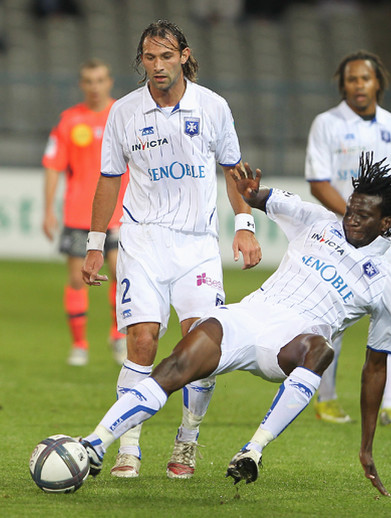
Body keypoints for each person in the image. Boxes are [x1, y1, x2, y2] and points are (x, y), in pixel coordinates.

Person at [79, 154, 391, 496]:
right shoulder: (320, 221)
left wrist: (367, 447)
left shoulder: (386, 285)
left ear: (385, 223)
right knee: (175, 365)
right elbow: (264, 198)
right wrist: (251, 195)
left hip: (288, 346)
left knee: (321, 349)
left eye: (363, 216)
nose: (350, 220)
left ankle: (252, 451)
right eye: (350, 211)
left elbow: (375, 367)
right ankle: (93, 445)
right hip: (247, 317)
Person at [81, 19, 262, 480]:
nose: (157, 65)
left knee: (201, 347)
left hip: (198, 245)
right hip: (142, 241)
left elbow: (232, 169)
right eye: (149, 57)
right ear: (140, 61)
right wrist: (96, 243)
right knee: (142, 340)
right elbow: (109, 178)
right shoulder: (123, 112)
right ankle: (129, 445)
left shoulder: (214, 107)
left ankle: (187, 439)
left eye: (166, 55)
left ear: (184, 55)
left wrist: (244, 224)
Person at [304, 50, 391, 427]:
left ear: (378, 83)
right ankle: (326, 399)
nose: (359, 85)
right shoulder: (326, 124)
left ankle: (390, 404)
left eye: (365, 78)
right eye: (352, 79)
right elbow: (318, 181)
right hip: (339, 240)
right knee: (332, 321)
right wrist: (354, 219)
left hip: (387, 241)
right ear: (343, 85)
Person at [42, 59, 128, 367]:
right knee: (78, 280)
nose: (95, 86)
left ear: (110, 82)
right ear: (82, 85)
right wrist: (48, 210)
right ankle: (79, 344)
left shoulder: (124, 114)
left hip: (120, 212)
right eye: (89, 81)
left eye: (100, 80)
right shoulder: (70, 120)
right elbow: (53, 166)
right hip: (79, 214)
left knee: (120, 272)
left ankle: (118, 336)